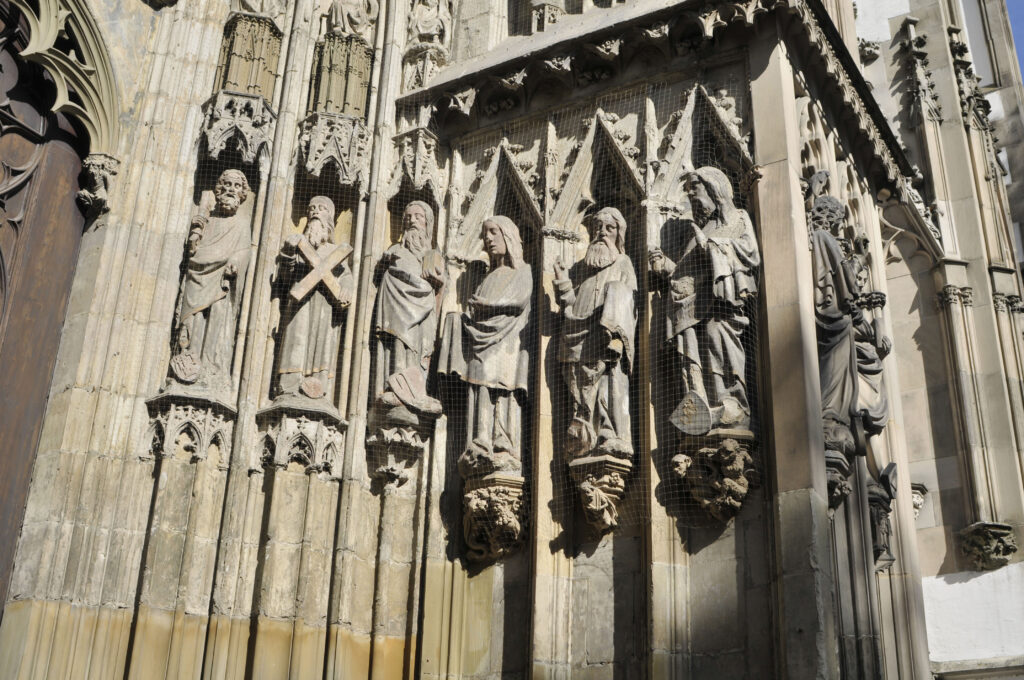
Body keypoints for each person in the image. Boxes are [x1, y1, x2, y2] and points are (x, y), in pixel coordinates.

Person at [649, 166, 760, 434]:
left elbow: (750, 253)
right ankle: (701, 408)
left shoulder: (739, 217)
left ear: (713, 188)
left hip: (723, 306)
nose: (693, 199)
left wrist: (712, 245)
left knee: (716, 338)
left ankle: (732, 403)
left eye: (695, 190)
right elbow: (688, 273)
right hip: (693, 309)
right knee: (694, 355)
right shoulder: (703, 226)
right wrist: (665, 267)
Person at [440, 216, 532, 472]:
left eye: (493, 232)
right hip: (482, 343)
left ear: (509, 236)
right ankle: (479, 441)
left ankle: (504, 443)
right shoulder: (488, 276)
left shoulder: (523, 270)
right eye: (484, 234)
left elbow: (521, 299)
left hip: (508, 344)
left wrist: (489, 306)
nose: (488, 239)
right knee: (479, 388)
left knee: (503, 389)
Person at [554, 207, 637, 459]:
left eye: (608, 228)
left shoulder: (623, 262)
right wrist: (563, 283)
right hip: (580, 338)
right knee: (582, 391)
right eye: (597, 228)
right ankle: (584, 438)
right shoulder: (582, 270)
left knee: (609, 384)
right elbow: (570, 303)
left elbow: (630, 298)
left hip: (607, 341)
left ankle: (610, 432)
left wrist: (613, 330)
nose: (601, 233)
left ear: (618, 234)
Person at [170, 169, 252, 392]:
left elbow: (244, 251)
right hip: (198, 277)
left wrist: (235, 261)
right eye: (226, 184)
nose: (230, 189)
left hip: (221, 281)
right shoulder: (208, 220)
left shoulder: (242, 224)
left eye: (236, 186)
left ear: (242, 193)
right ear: (218, 189)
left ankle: (210, 367)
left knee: (217, 317)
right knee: (192, 320)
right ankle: (188, 363)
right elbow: (193, 253)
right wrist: (195, 236)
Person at [275, 196, 354, 400]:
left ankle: (318, 387)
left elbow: (346, 277)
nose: (316, 212)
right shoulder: (299, 246)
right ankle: (289, 387)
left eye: (322, 209)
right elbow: (285, 277)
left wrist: (345, 289)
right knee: (296, 339)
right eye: (312, 209)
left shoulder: (336, 252)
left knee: (322, 342)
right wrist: (288, 252)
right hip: (300, 305)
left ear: (330, 218)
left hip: (325, 306)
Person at [371, 200, 445, 415]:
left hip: (421, 311)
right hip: (395, 307)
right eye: (408, 217)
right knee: (397, 344)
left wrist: (436, 280)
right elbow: (380, 275)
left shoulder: (431, 254)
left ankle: (415, 390)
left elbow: (440, 286)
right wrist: (385, 264)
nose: (413, 221)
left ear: (428, 223)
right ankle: (393, 387)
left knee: (416, 346)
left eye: (418, 217)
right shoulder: (394, 249)